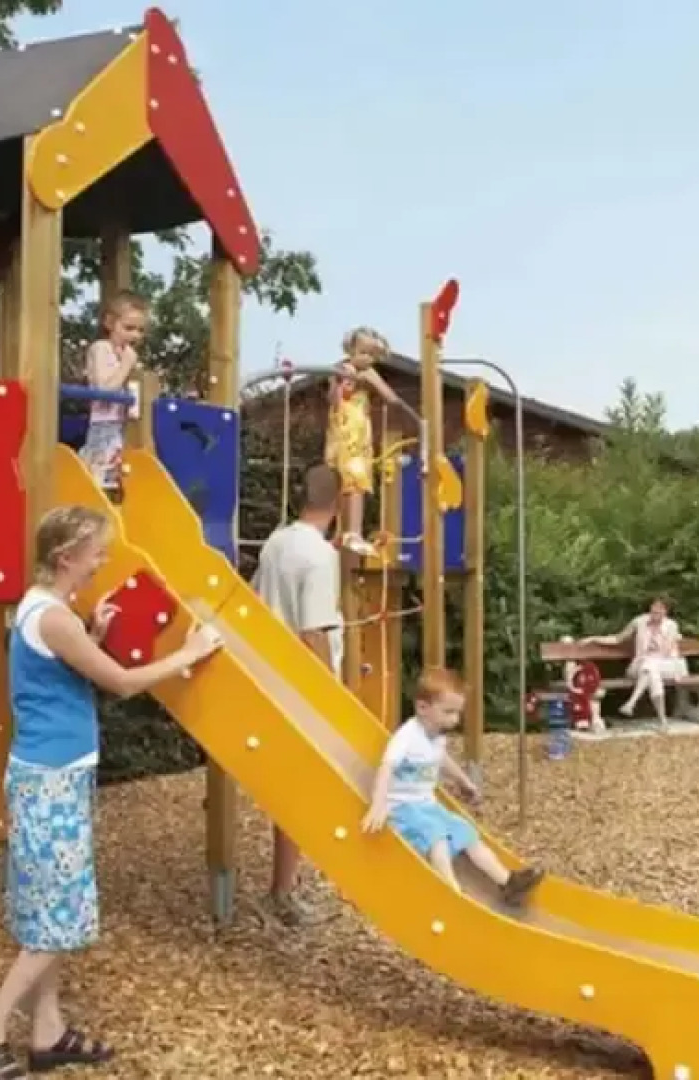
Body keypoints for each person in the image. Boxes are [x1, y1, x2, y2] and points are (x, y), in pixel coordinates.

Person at [0, 506, 223, 1080]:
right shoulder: (55, 619)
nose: (102, 560)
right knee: (62, 916)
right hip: (49, 779)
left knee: (49, 911)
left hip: (53, 773)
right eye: (95, 551)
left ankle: (47, 1032)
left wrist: (94, 636)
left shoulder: (47, 611)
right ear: (65, 558)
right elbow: (121, 683)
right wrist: (189, 654)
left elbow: (60, 674)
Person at [248, 462, 345, 926]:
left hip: (272, 672)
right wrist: (329, 696)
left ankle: (284, 886)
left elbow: (256, 598)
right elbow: (314, 630)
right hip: (303, 685)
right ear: (338, 504)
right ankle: (283, 893)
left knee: (291, 787)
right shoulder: (321, 556)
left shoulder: (277, 541)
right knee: (301, 792)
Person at [362, 668, 545, 905]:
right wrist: (378, 805)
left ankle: (507, 882)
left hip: (427, 805)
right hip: (402, 808)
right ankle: (452, 893)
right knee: (436, 836)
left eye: (457, 712)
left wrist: (464, 781)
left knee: (466, 832)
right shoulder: (406, 736)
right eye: (448, 712)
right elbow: (386, 767)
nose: (455, 719)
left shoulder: (436, 735)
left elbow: (442, 759)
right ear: (422, 708)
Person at [324, 326, 416, 558]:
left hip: (358, 430)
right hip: (345, 430)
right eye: (363, 352)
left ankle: (348, 531)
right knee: (348, 480)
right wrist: (343, 383)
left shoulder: (367, 373)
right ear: (350, 350)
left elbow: (391, 399)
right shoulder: (341, 369)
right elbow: (333, 399)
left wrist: (370, 380)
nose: (367, 359)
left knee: (354, 480)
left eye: (372, 355)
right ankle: (348, 531)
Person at [78, 292, 147, 496]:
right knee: (100, 477)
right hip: (104, 424)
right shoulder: (101, 348)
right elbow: (104, 390)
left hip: (121, 426)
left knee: (117, 477)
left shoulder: (123, 354)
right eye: (129, 328)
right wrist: (126, 364)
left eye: (140, 330)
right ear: (110, 323)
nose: (135, 336)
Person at [591, 597, 688, 724]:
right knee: (651, 669)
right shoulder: (639, 621)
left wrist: (653, 651)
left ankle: (633, 703)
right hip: (640, 666)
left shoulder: (671, 626)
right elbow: (618, 639)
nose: (656, 610)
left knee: (651, 667)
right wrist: (593, 638)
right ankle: (661, 719)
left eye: (661, 608)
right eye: (654, 607)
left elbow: (664, 652)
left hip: (667, 665)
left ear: (666, 612)